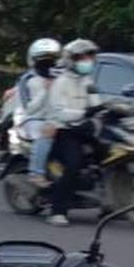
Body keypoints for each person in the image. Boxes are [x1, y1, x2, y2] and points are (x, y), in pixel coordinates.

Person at [45, 38, 101, 227]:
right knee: (73, 164)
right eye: (82, 57)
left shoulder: (87, 81)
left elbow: (96, 103)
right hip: (65, 131)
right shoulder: (61, 82)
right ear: (72, 59)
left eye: (90, 56)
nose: (87, 61)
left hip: (85, 129)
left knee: (109, 154)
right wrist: (83, 113)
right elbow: (59, 112)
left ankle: (109, 203)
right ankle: (57, 210)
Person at [16, 38, 62, 187]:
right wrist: (45, 90)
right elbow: (29, 108)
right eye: (43, 61)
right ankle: (36, 174)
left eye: (52, 60)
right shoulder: (28, 80)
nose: (48, 64)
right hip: (34, 120)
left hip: (59, 118)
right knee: (45, 134)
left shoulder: (63, 77)